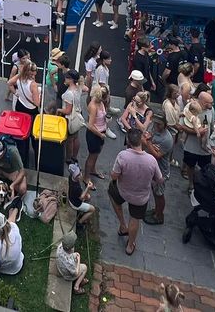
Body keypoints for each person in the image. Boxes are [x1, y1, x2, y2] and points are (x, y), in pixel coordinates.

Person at [109, 127, 164, 255]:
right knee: (135, 219)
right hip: (140, 197)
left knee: (112, 192)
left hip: (123, 190)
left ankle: (123, 225)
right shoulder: (151, 160)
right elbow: (159, 180)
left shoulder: (123, 156)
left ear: (128, 141)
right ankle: (130, 245)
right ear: (141, 141)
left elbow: (114, 176)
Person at [179, 91, 214, 183]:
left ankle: (202, 185)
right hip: (191, 147)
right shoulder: (190, 108)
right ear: (203, 102)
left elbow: (213, 124)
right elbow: (182, 126)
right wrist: (196, 132)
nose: (212, 104)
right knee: (190, 166)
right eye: (210, 103)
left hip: (205, 149)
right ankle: (191, 184)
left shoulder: (211, 109)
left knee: (205, 168)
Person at [83, 83, 109, 181]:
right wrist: (100, 134)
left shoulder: (100, 103)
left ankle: (93, 170)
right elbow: (90, 125)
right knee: (92, 156)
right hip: (95, 135)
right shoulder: (93, 106)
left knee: (96, 154)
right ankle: (86, 177)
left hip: (102, 131)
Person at [65, 159, 97, 230]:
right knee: (92, 209)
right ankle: (80, 222)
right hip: (75, 204)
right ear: (75, 176)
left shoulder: (71, 178)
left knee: (88, 196)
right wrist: (88, 187)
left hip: (71, 198)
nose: (80, 175)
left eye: (80, 173)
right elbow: (81, 198)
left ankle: (82, 211)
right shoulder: (76, 187)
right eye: (78, 175)